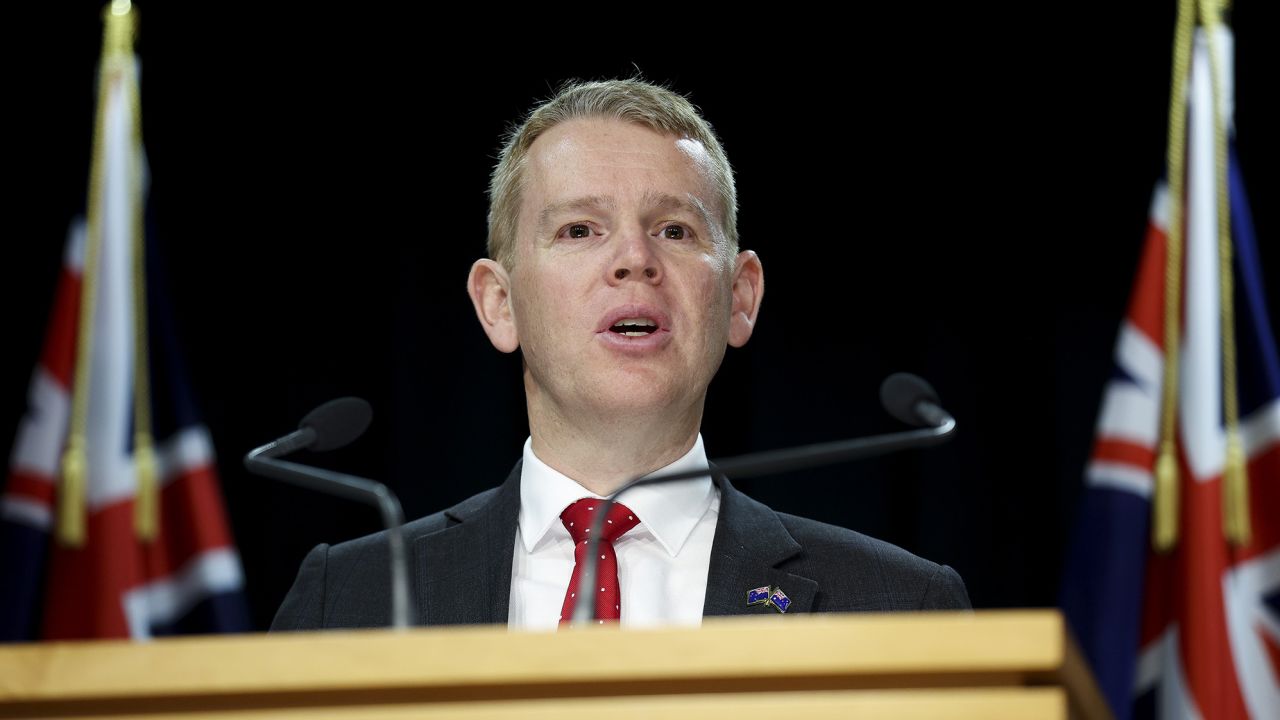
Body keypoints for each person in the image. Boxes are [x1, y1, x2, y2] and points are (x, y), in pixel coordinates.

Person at [272, 78, 969, 631]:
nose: (634, 260)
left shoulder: (897, 602)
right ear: (498, 303)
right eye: (580, 230)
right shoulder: (348, 595)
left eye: (673, 228)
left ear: (739, 297)